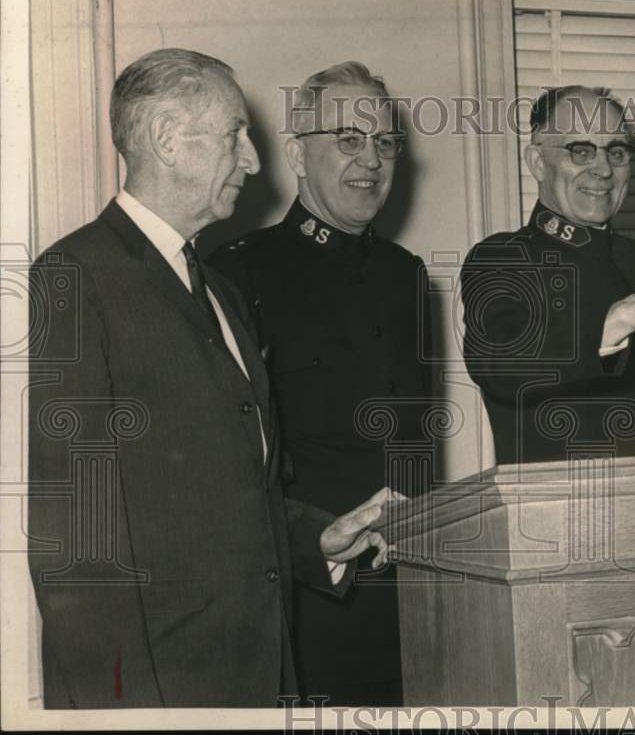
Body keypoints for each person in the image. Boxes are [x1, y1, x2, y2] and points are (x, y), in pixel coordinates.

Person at [27, 48, 398, 709]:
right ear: (171, 140)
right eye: (235, 134)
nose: (254, 161)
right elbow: (76, 541)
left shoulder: (221, 289)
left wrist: (317, 537)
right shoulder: (77, 275)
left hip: (260, 671)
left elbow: (229, 494)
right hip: (163, 689)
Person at [208, 62, 430, 706]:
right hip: (304, 606)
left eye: (385, 142)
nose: (372, 160)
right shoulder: (236, 273)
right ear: (298, 155)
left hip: (408, 599)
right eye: (349, 139)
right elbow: (232, 472)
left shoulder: (407, 274)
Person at [461, 85, 635, 465]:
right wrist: (624, 317)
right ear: (537, 162)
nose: (603, 169)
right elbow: (502, 365)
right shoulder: (501, 258)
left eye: (616, 152)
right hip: (560, 514)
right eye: (580, 150)